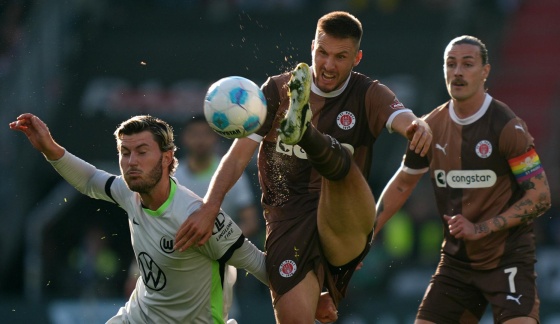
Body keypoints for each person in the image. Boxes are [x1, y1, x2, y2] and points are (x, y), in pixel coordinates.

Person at [174, 11, 432, 323]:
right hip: (288, 220)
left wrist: (417, 126)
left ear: (357, 58)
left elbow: (403, 118)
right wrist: (210, 206)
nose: (328, 65)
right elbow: (236, 156)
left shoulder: (369, 94)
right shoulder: (276, 90)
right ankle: (303, 130)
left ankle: (305, 132)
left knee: (340, 165)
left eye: (341, 56)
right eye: (322, 53)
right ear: (312, 47)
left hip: (342, 213)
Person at [9, 113, 268, 323]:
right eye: (125, 152)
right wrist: (49, 147)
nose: (131, 162)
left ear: (167, 158)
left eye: (142, 152)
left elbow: (258, 264)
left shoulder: (197, 216)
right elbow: (89, 180)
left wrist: (305, 299)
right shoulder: (128, 192)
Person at [374, 35, 552, 323]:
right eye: (451, 64)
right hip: (457, 266)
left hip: (507, 262)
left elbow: (540, 196)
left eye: (467, 64)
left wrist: (481, 228)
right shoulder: (429, 127)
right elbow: (403, 183)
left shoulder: (507, 125)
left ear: (485, 72)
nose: (457, 72)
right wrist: (367, 236)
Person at [176, 114, 261, 241]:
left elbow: (250, 222)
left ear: (215, 137)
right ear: (184, 138)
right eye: (194, 134)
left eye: (206, 134)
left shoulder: (233, 172)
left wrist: (220, 244)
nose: (200, 140)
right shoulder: (173, 175)